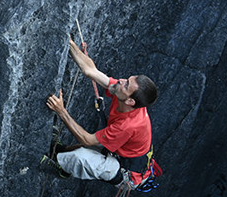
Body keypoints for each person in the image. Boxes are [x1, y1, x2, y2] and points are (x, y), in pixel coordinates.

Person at [42, 37, 157, 182]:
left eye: (126, 84)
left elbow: (87, 140)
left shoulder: (128, 126)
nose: (121, 80)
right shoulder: (123, 94)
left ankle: (63, 170)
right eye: (127, 79)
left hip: (125, 171)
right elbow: (91, 71)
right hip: (120, 151)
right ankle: (59, 150)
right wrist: (69, 43)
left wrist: (61, 111)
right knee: (85, 148)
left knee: (81, 157)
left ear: (130, 101)